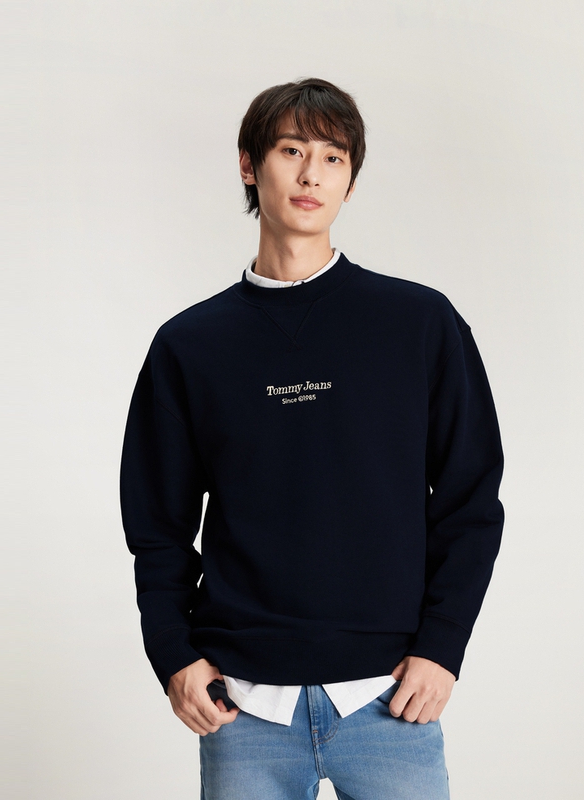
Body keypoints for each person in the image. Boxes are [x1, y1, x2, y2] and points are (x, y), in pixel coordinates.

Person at [120, 77, 504, 800]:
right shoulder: (190, 346)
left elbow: (471, 501)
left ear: (350, 181)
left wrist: (442, 648)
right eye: (291, 151)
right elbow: (156, 527)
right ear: (249, 165)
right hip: (243, 708)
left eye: (333, 158)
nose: (311, 175)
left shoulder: (419, 324)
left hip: (391, 699)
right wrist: (173, 654)